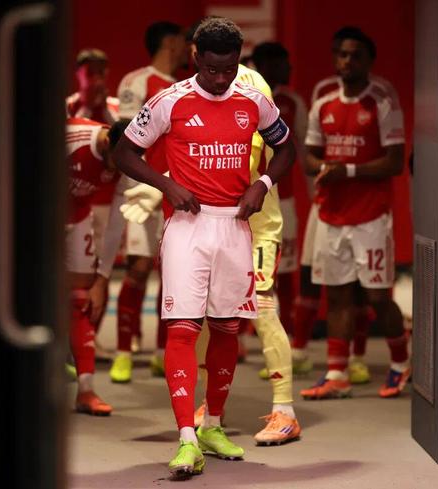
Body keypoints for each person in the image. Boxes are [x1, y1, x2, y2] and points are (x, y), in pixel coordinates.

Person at [112, 17, 295, 476]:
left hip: (235, 226)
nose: (220, 79)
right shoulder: (169, 101)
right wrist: (164, 185)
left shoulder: (253, 99)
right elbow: (124, 152)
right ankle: (186, 439)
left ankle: (213, 425)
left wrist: (263, 183)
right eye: (212, 69)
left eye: (229, 69)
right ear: (196, 59)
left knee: (228, 329)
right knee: (183, 329)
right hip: (187, 228)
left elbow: (287, 148)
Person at [299, 29, 410, 400]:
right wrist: (324, 167)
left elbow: (395, 162)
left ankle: (400, 362)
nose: (348, 61)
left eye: (356, 55)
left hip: (371, 217)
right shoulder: (323, 104)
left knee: (377, 297)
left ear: (369, 61)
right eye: (342, 54)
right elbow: (309, 156)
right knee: (338, 296)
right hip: (331, 214)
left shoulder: (382, 103)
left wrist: (346, 170)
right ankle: (337, 373)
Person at [93, 21, 190, 383]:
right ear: (170, 43)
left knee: (173, 270)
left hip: (175, 189)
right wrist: (147, 184)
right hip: (140, 190)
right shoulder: (136, 82)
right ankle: (123, 353)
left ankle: (163, 353)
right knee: (137, 268)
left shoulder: (185, 87)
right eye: (183, 41)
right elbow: (126, 140)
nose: (188, 48)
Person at [66, 117, 128, 415]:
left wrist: (103, 277)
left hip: (76, 217)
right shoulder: (71, 137)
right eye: (119, 162)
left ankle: (86, 391)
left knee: (81, 298)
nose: (122, 169)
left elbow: (117, 220)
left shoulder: (128, 156)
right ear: (106, 143)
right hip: (35, 215)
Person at [252, 42, 309, 355]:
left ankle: (284, 338)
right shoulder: (244, 96)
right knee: (244, 268)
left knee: (283, 270)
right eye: (283, 63)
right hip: (246, 199)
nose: (289, 69)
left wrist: (314, 193)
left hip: (281, 200)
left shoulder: (292, 102)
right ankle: (241, 336)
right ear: (266, 66)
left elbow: (302, 150)